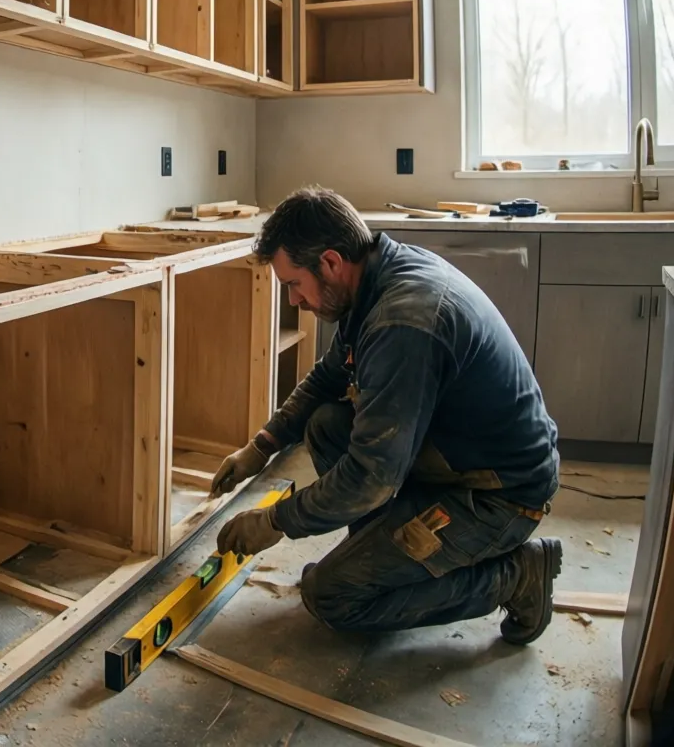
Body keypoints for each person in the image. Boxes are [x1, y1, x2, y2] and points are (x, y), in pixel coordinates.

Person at [211, 187, 562, 644]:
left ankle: (516, 576)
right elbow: (327, 380)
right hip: (452, 460)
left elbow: (370, 477)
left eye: (294, 284)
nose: (294, 301)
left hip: (498, 496)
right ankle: (381, 558)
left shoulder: (403, 322)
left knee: (331, 594)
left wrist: (276, 521)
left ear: (332, 263)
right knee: (326, 425)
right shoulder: (375, 280)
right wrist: (262, 447)